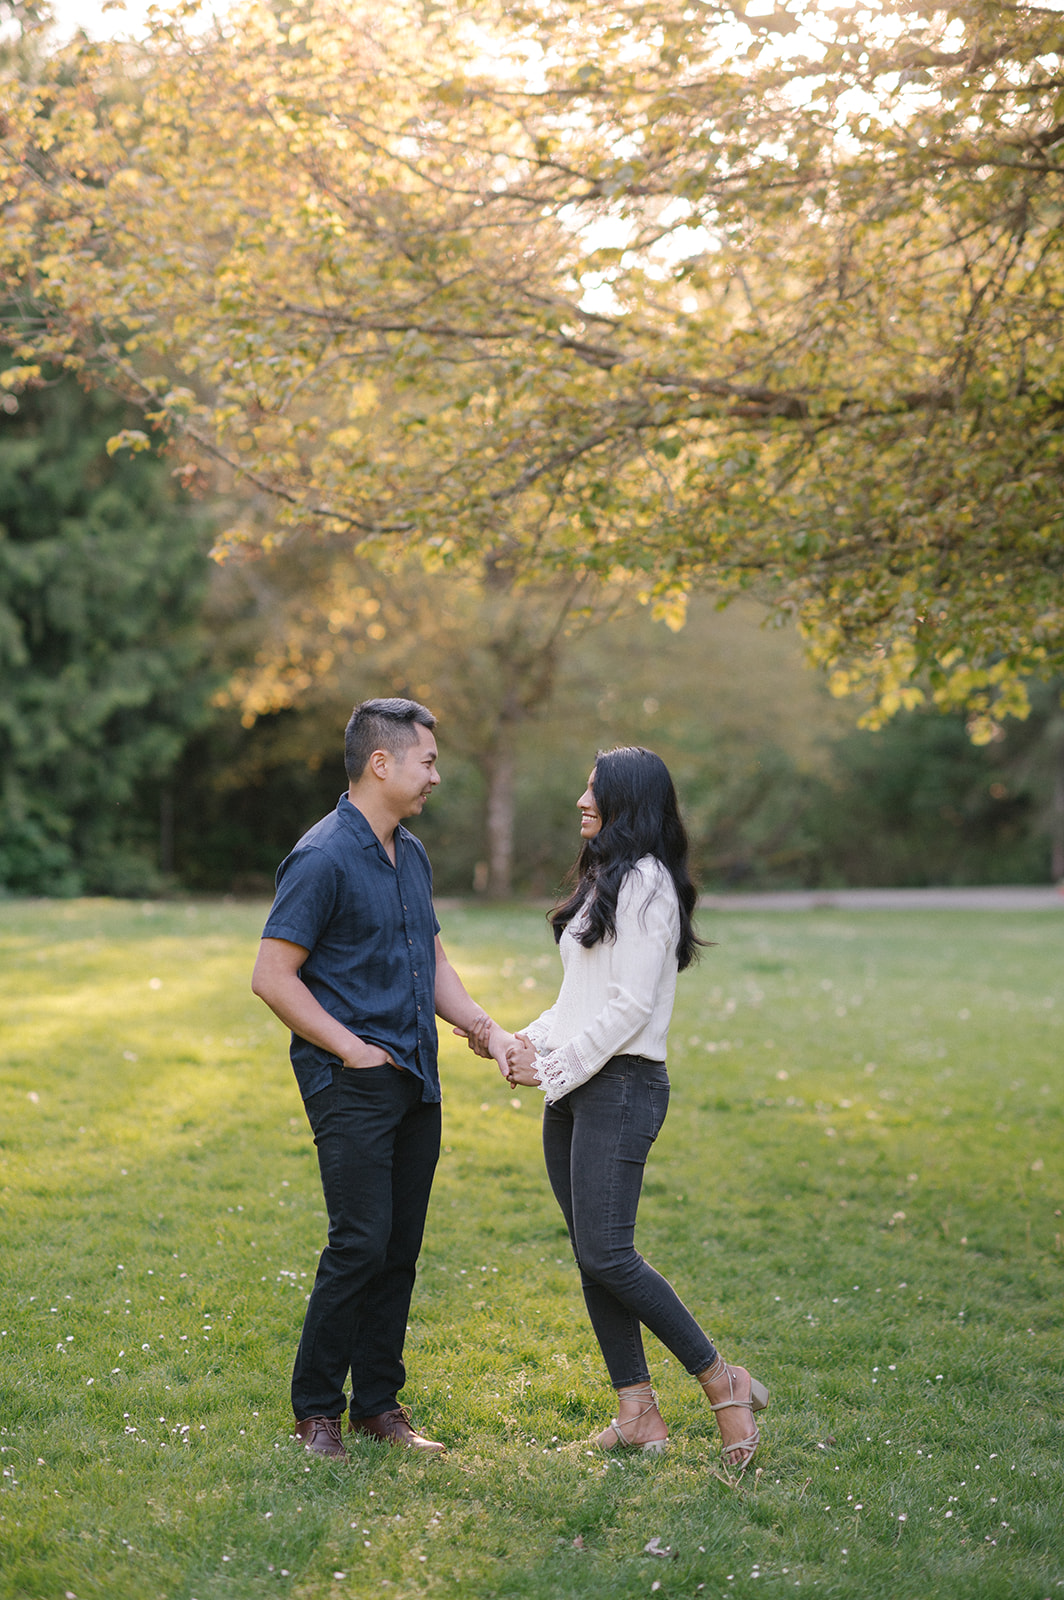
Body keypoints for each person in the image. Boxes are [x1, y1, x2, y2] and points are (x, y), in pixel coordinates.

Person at [470, 746, 768, 1472]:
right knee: (592, 1255)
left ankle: (721, 1380)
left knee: (608, 1252)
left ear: (627, 802)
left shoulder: (649, 887)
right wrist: (528, 1044)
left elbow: (632, 1005)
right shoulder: (612, 878)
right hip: (583, 1088)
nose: (580, 799)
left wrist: (557, 1063)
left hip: (625, 1084)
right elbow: (584, 1000)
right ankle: (638, 1411)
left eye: (594, 790)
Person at [251, 697, 496, 1460]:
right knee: (359, 1242)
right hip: (352, 1080)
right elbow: (272, 975)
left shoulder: (410, 854)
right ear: (381, 763)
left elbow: (434, 962)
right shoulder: (322, 855)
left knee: (399, 1247)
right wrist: (350, 1048)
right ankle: (318, 1411)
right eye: (427, 761)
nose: (436, 776)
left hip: (416, 1078)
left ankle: (378, 1407)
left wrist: (479, 1024)